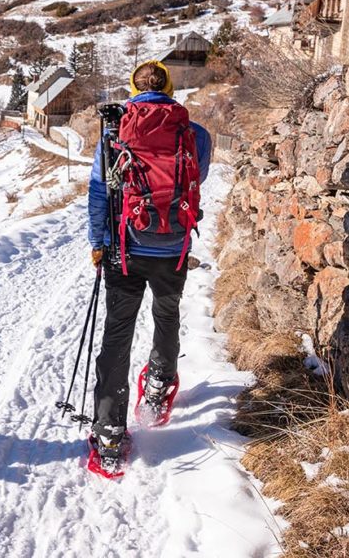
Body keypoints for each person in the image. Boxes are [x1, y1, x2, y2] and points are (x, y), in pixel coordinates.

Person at [86, 60, 212, 475]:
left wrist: (97, 241)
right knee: (167, 314)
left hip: (126, 246)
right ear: (171, 88)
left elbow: (99, 190)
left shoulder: (115, 131)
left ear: (132, 88)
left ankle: (108, 433)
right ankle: (158, 387)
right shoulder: (195, 134)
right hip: (173, 247)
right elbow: (198, 180)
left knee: (117, 331)